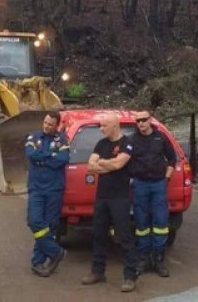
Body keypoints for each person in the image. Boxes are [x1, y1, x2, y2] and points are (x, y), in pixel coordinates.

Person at [80, 112, 138, 292]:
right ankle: (98, 272)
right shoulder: (101, 143)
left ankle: (130, 276)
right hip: (102, 197)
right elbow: (90, 166)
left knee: (124, 237)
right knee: (99, 234)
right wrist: (109, 164)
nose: (101, 129)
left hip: (120, 197)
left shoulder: (127, 143)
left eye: (104, 125)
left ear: (114, 125)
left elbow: (118, 165)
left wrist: (104, 163)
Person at [127, 110, 177, 277]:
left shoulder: (160, 138)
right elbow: (125, 161)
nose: (141, 123)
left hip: (158, 185)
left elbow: (172, 159)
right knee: (141, 223)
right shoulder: (132, 140)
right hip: (140, 185)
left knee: (161, 222)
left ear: (150, 121)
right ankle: (143, 259)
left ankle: (159, 260)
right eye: (138, 121)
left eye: (143, 120)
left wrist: (167, 178)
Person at [26, 111, 70, 277]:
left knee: (49, 226)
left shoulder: (62, 140)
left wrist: (42, 159)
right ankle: (56, 252)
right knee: (34, 221)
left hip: (54, 189)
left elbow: (63, 159)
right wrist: (51, 156)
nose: (46, 126)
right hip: (36, 188)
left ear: (57, 126)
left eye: (50, 124)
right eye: (45, 122)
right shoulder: (34, 137)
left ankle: (38, 262)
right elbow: (31, 155)